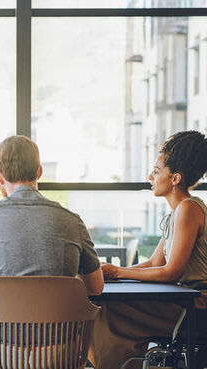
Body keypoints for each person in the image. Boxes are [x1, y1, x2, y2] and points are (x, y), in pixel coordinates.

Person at [88, 130, 207, 369]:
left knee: (106, 312)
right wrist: (114, 271)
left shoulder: (188, 209)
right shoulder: (177, 212)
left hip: (193, 308)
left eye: (156, 170)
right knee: (104, 308)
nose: (150, 176)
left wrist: (119, 273)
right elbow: (154, 263)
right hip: (182, 301)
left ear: (175, 178)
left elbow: (171, 272)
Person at [0, 135, 104, 297]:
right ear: (39, 171)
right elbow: (95, 287)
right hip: (58, 322)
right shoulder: (72, 221)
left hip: (0, 322)